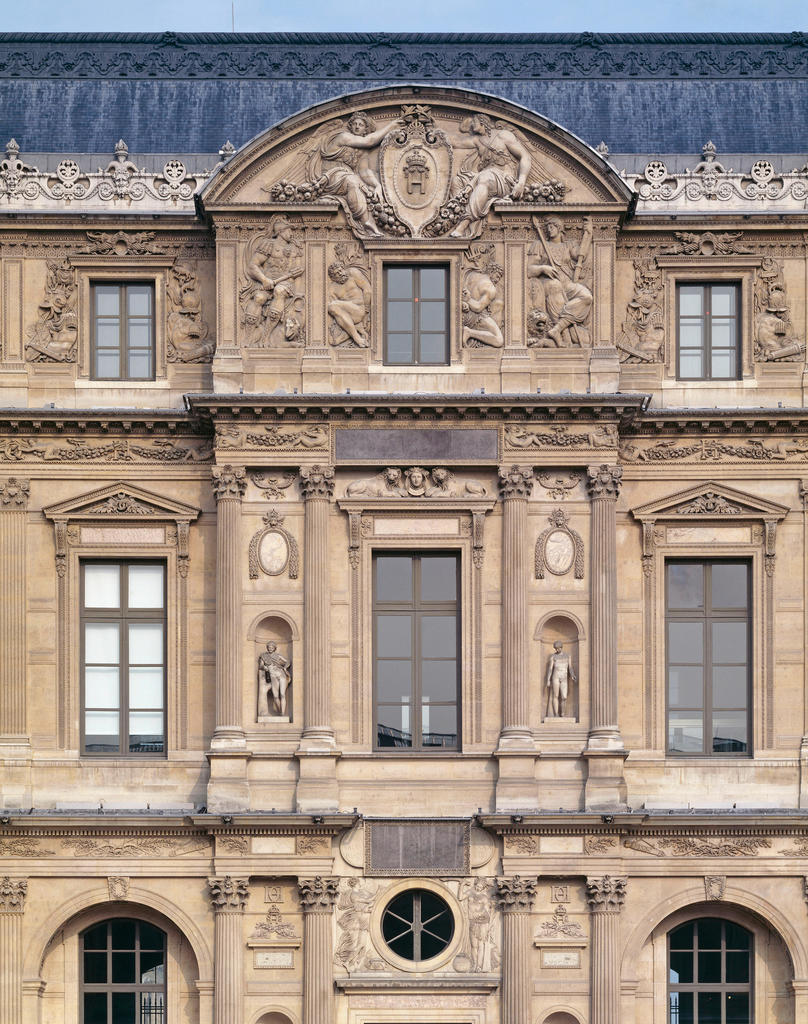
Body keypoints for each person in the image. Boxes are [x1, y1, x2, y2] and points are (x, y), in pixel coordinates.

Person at [449, 113, 532, 237]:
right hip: (485, 176)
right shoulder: (478, 140)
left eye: (474, 122)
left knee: (485, 177)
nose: (471, 124)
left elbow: (525, 156)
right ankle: (457, 216)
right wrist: (436, 135)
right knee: (457, 181)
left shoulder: (503, 135)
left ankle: (464, 224)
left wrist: (521, 182)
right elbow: (457, 142)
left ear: (483, 123)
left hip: (504, 180)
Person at [327, 260, 371, 347]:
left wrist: (366, 313)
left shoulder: (353, 273)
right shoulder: (332, 288)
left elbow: (368, 290)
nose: (340, 273)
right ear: (333, 277)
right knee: (332, 307)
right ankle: (356, 332)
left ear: (343, 268)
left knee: (332, 305)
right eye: (337, 274)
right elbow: (336, 312)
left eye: (340, 270)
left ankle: (355, 337)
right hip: (348, 316)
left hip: (360, 308)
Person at [257, 642, 291, 717]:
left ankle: (282, 713)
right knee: (275, 696)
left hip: (281, 674)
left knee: (282, 694)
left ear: (274, 648)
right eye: (269, 647)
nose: (270, 648)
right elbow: (261, 666)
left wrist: (284, 668)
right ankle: (280, 712)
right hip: (272, 675)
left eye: (272, 647)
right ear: (267, 648)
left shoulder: (278, 655)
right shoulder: (264, 656)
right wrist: (265, 668)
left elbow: (287, 661)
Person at [546, 640, 576, 718]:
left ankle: (562, 714)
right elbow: (550, 668)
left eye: (558, 648)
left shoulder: (567, 655)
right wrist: (548, 680)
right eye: (555, 648)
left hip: (564, 677)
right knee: (555, 695)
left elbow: (570, 667)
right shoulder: (553, 656)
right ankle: (556, 714)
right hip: (555, 677)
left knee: (564, 697)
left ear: (561, 647)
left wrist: (572, 675)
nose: (557, 650)